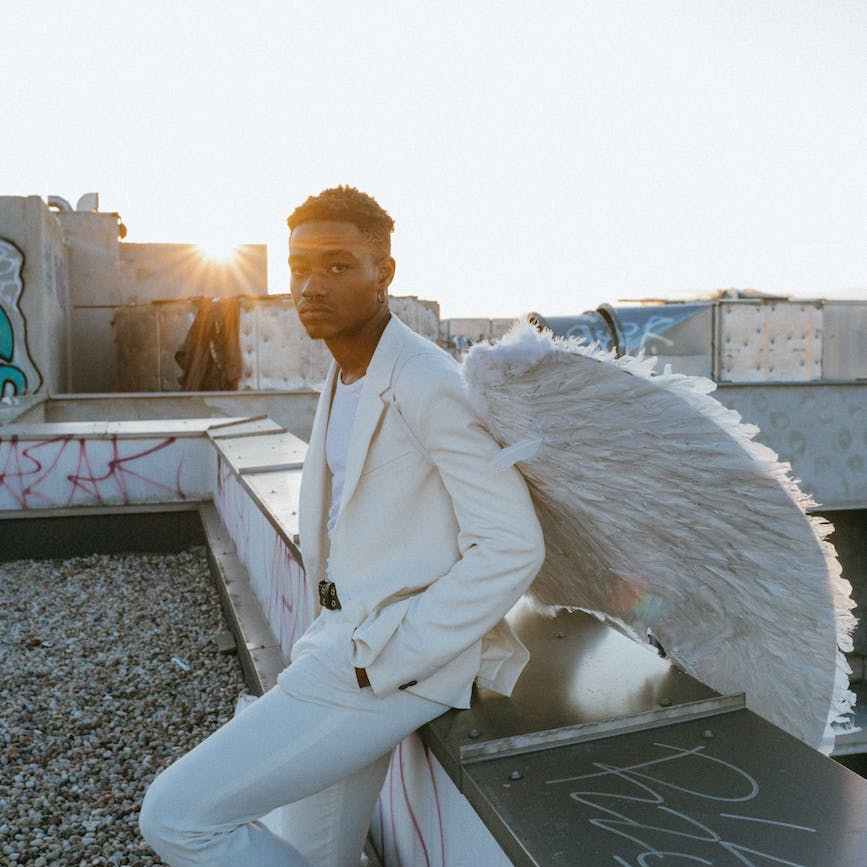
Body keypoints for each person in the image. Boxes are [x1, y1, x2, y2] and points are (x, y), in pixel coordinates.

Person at [138, 186, 546, 866]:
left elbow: (511, 543)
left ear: (383, 273)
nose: (310, 286)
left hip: (379, 659)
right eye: (300, 266)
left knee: (176, 815)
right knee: (315, 851)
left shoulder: (425, 380)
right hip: (337, 639)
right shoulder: (347, 372)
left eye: (337, 265)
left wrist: (391, 653)